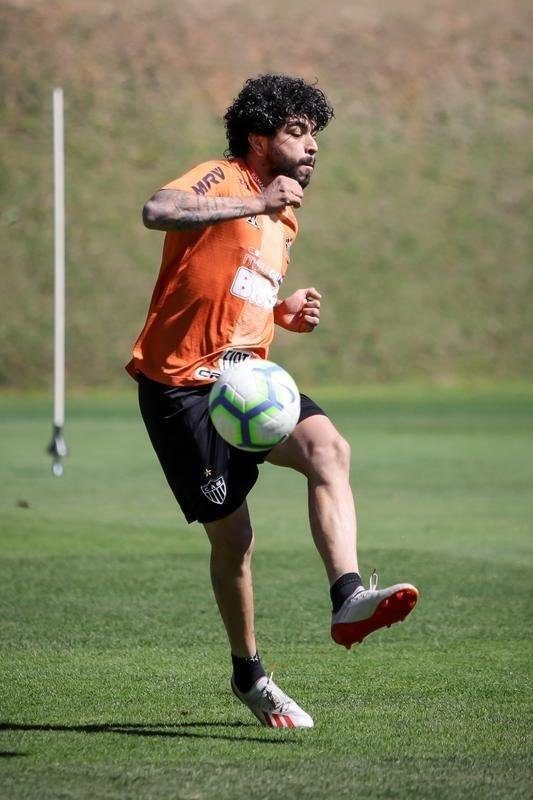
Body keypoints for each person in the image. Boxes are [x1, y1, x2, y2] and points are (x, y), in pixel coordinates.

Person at [127, 74, 418, 729]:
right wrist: (251, 204)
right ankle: (249, 674)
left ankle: (347, 597)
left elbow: (233, 289)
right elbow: (158, 210)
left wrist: (279, 314)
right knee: (235, 542)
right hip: (181, 389)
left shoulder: (284, 212)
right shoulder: (225, 179)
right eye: (296, 132)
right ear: (258, 139)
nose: (312, 146)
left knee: (328, 448)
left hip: (246, 380)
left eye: (314, 133)